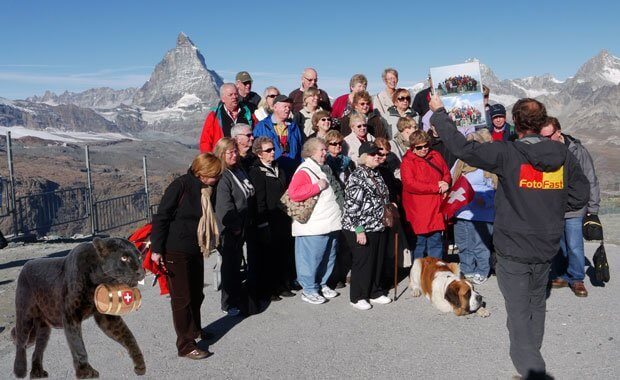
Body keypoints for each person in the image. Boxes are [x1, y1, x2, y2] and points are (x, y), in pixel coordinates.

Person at [429, 95, 590, 379]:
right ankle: (531, 358)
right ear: (542, 122)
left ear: (516, 123)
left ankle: (533, 371)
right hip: (545, 247)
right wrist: (548, 206)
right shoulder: (563, 155)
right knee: (536, 304)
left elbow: (462, 148)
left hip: (513, 248)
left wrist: (439, 113)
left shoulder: (507, 153)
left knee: (518, 313)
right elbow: (580, 195)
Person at [151, 153, 223, 360]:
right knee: (182, 299)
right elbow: (162, 217)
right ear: (202, 173)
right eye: (214, 175)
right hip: (175, 249)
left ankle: (196, 329)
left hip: (195, 248)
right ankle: (185, 344)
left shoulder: (207, 190)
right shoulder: (180, 186)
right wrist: (157, 249)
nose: (217, 179)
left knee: (196, 293)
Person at [541, 117, 600, 297]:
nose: (544, 140)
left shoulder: (577, 150)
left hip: (575, 205)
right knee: (559, 244)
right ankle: (562, 275)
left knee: (574, 244)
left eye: (548, 136)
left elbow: (591, 178)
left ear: (558, 132)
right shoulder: (544, 151)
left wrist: (593, 209)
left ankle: (577, 279)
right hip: (554, 207)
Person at [288, 138, 344, 304]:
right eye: (322, 150)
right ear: (311, 152)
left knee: (328, 256)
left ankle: (322, 283)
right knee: (312, 258)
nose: (325, 153)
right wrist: (317, 187)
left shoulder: (323, 167)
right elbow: (294, 193)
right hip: (314, 225)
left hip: (330, 222)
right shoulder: (304, 170)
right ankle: (309, 288)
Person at [342, 141, 393, 310]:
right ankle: (358, 296)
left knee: (377, 260)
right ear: (364, 157)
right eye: (373, 154)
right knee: (363, 261)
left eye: (378, 153)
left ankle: (375, 291)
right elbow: (351, 207)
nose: (377, 156)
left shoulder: (376, 173)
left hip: (377, 225)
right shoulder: (356, 176)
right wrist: (359, 230)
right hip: (360, 227)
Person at [213, 138, 256, 317]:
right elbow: (225, 207)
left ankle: (239, 296)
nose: (234, 155)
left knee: (237, 262)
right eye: (229, 152)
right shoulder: (223, 177)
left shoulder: (238, 169)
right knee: (230, 266)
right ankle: (228, 302)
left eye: (235, 151)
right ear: (221, 155)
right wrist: (235, 227)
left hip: (244, 223)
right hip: (231, 229)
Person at [247, 137, 294, 301]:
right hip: (268, 218)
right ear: (259, 154)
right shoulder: (256, 172)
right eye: (268, 150)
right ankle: (270, 289)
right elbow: (259, 200)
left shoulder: (278, 168)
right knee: (269, 255)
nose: (273, 152)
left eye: (273, 149)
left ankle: (283, 284)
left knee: (283, 251)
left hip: (282, 217)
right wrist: (262, 223)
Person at [452, 129, 497, 285]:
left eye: (474, 145)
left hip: (482, 213)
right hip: (462, 211)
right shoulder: (459, 163)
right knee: (463, 243)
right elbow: (452, 180)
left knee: (480, 244)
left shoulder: (488, 164)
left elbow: (495, 188)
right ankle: (467, 269)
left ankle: (482, 270)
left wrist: (484, 199)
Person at [401, 130, 451, 260]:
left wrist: (445, 183)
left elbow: (446, 172)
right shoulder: (408, 161)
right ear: (412, 147)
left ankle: (435, 274)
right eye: (419, 147)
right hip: (418, 210)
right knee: (420, 244)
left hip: (436, 207)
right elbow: (410, 184)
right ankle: (419, 274)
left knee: (436, 242)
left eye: (426, 146)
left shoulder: (435, 155)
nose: (424, 149)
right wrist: (436, 187)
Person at [253, 95, 304, 179]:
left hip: (292, 171)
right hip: (271, 172)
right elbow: (256, 150)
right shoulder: (262, 126)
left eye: (289, 107)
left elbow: (300, 150)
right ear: (275, 107)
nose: (288, 109)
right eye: (285, 106)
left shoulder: (294, 127)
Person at [199, 83, 256, 153]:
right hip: (221, 159)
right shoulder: (214, 116)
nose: (234, 97)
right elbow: (205, 141)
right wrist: (209, 161)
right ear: (223, 99)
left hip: (246, 158)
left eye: (236, 94)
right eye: (230, 95)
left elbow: (256, 133)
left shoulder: (248, 112)